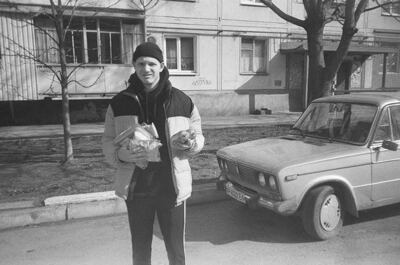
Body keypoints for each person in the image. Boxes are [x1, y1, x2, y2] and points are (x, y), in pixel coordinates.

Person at [102, 42, 204, 265]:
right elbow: (108, 141)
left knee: (176, 250)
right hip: (137, 189)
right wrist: (120, 156)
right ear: (134, 66)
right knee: (140, 250)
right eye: (140, 63)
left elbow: (198, 135)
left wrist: (192, 144)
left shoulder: (182, 100)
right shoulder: (119, 103)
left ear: (161, 66)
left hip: (171, 187)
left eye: (151, 63)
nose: (146, 68)